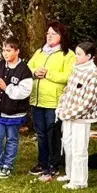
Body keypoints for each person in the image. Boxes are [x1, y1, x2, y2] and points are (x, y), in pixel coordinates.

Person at [54, 40, 97, 191]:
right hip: (68, 115)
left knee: (79, 148)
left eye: (79, 54)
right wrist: (61, 107)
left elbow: (89, 102)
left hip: (82, 118)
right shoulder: (76, 69)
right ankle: (70, 174)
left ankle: (80, 180)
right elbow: (67, 91)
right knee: (68, 145)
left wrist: (69, 113)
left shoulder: (93, 74)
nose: (76, 56)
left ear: (89, 56)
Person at [27, 21, 73, 180]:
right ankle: (42, 162)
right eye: (48, 34)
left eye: (54, 33)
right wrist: (34, 72)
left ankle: (54, 164)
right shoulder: (39, 52)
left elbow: (68, 77)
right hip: (37, 100)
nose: (50, 36)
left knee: (53, 133)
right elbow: (27, 68)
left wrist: (48, 74)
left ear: (61, 36)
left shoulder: (68, 54)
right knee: (41, 134)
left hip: (54, 102)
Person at [0, 37, 33, 179]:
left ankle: (7, 166)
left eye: (9, 50)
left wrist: (7, 88)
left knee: (12, 139)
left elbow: (24, 92)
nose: (5, 53)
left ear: (17, 51)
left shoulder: (24, 70)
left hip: (14, 113)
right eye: (4, 50)